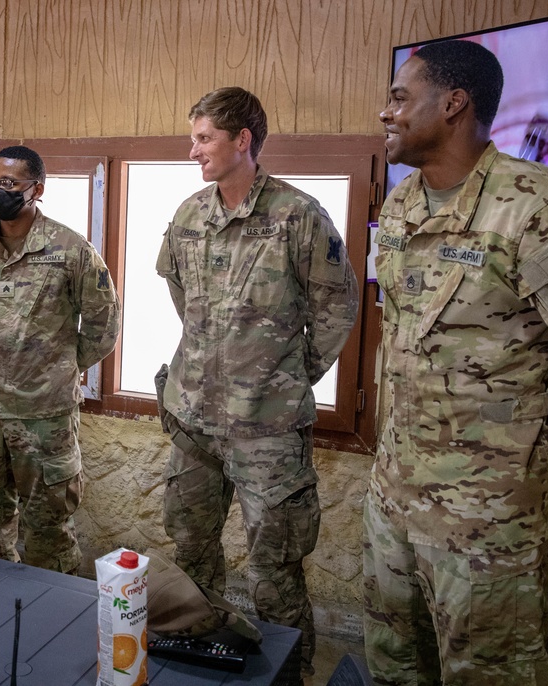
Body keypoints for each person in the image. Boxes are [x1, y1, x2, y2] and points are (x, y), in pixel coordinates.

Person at [367, 40, 548, 685]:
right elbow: (400, 337)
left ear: (453, 104)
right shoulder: (400, 206)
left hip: (492, 525)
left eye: (400, 97)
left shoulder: (544, 209)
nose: (386, 112)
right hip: (395, 499)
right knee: (394, 669)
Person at [155, 87, 359, 676]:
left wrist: (285, 375)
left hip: (267, 432)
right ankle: (196, 662)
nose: (193, 150)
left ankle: (287, 676)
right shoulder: (190, 214)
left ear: (242, 139)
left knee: (275, 569)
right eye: (193, 138)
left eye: (204, 138)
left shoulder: (298, 216)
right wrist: (211, 362)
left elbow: (336, 308)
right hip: (193, 422)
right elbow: (181, 295)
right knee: (191, 549)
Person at [0, 145, 120, 574]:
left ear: (36, 189)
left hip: (44, 415)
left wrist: (60, 365)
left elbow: (104, 324)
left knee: (47, 527)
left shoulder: (71, 250)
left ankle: (50, 621)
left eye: (8, 183)